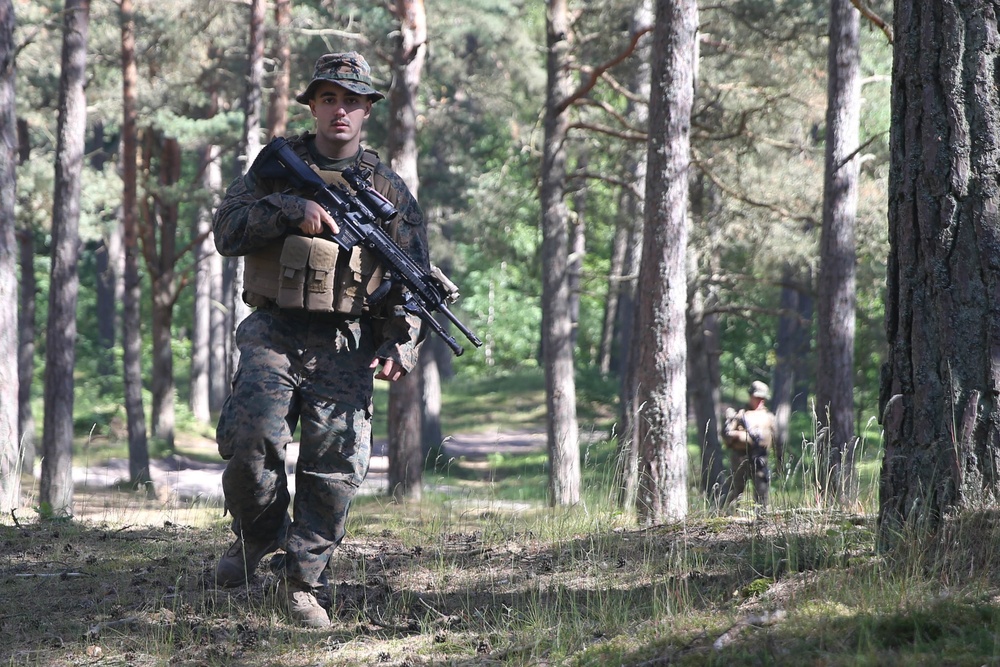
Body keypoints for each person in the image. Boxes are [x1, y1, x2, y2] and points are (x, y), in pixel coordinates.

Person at [211, 51, 429, 628]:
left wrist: (398, 342)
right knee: (251, 442)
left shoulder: (389, 192)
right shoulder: (276, 167)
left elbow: (411, 280)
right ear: (312, 105)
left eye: (352, 101)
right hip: (274, 330)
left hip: (346, 340)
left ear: (367, 112)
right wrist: (289, 207)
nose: (340, 111)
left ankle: (302, 581)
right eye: (329, 98)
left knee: (333, 469)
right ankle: (257, 543)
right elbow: (227, 231)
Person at [721, 380, 780, 510]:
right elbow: (726, 435)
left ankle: (762, 519)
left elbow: (777, 441)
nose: (760, 401)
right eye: (757, 398)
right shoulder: (739, 415)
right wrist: (740, 436)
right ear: (751, 396)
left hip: (760, 458)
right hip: (740, 457)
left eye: (762, 398)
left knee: (762, 491)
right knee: (735, 491)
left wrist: (779, 460)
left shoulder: (769, 417)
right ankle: (729, 517)